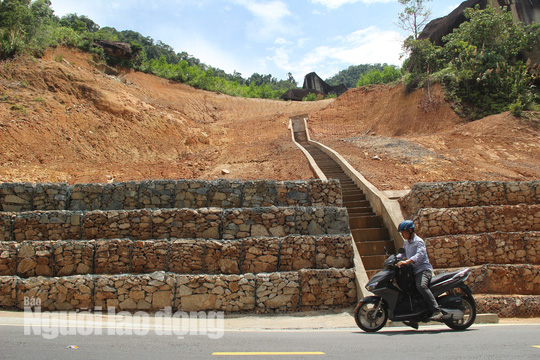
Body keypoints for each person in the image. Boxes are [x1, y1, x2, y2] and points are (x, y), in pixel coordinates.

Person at [396, 220, 445, 321]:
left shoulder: (418, 241)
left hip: (423, 270)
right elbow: (403, 254)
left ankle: (437, 310)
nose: (402, 234)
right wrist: (395, 259)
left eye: (403, 232)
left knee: (421, 286)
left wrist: (407, 262)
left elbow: (419, 255)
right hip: (413, 271)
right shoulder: (406, 243)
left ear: (410, 230)